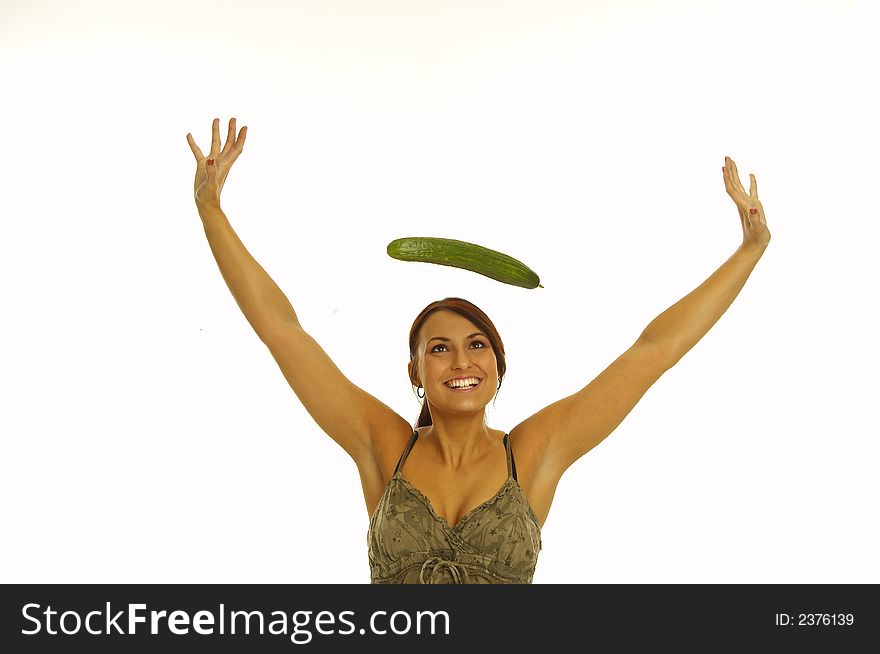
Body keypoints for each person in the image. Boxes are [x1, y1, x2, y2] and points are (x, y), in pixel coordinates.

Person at [186, 117, 771, 584]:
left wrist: (749, 251)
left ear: (497, 366)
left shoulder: (536, 452)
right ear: (415, 371)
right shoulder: (382, 445)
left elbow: (654, 351)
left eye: (477, 346)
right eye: (439, 348)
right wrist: (212, 213)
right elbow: (284, 333)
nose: (461, 361)